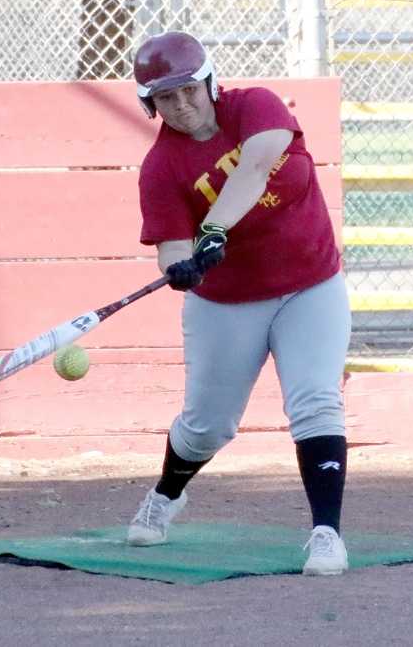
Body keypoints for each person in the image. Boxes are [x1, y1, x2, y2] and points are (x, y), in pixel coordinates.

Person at [127, 31, 351, 575]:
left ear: (209, 82)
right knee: (208, 426)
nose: (180, 106)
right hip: (227, 303)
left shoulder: (257, 106)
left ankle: (327, 534)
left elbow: (255, 167)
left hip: (311, 284)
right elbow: (172, 249)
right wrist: (182, 267)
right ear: (150, 105)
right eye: (165, 98)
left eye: (188, 90)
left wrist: (213, 228)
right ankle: (165, 496)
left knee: (316, 401)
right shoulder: (161, 168)